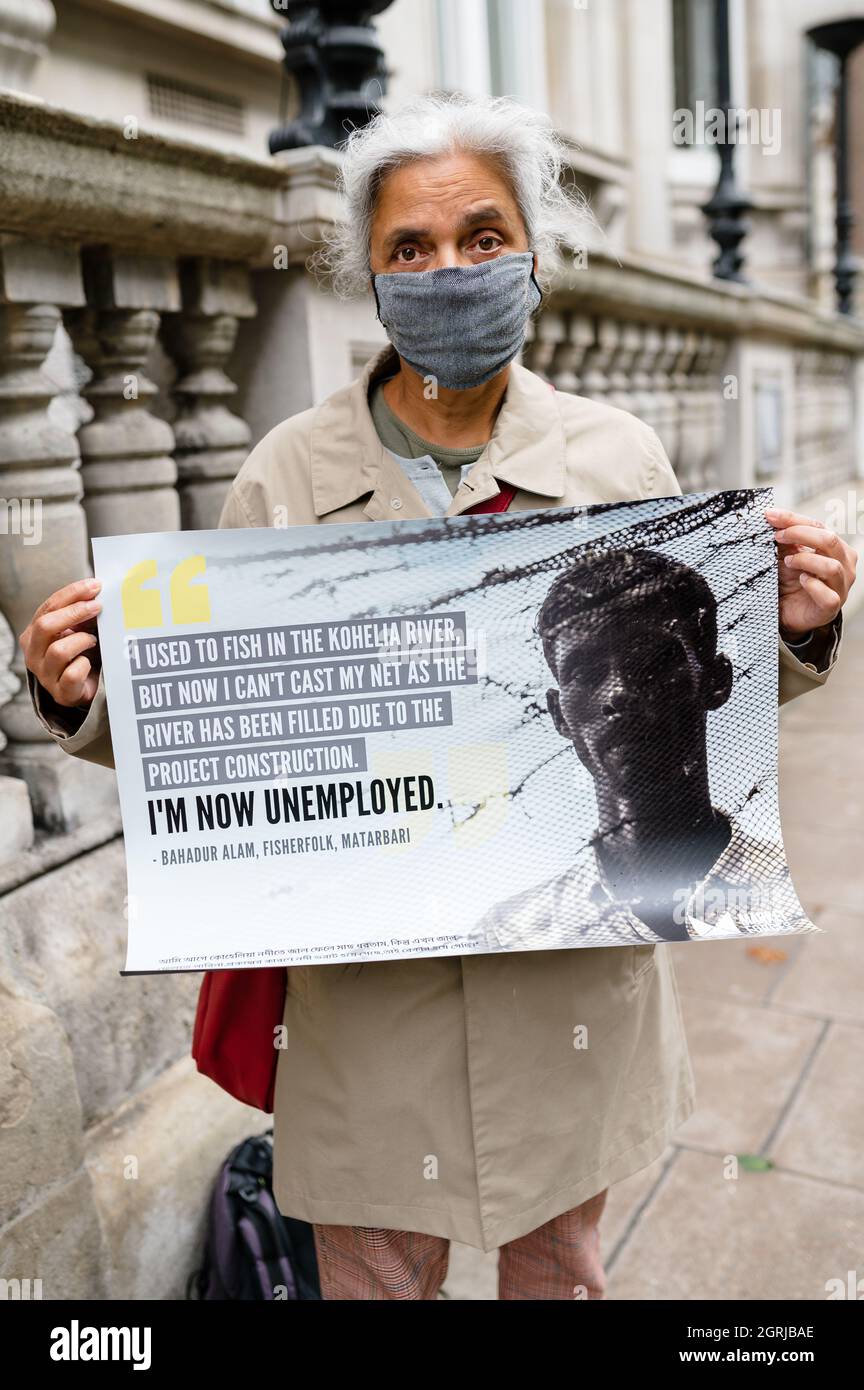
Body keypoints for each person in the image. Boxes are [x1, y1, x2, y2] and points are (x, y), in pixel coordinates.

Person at [19, 93, 855, 1301]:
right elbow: (217, 721)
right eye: (410, 247)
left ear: (531, 255)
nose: (448, 270)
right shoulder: (285, 475)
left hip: (571, 990)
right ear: (370, 270)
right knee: (371, 1286)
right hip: (368, 1018)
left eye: (480, 236)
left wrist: (802, 627)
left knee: (560, 1273)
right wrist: (82, 696)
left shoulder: (619, 456)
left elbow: (700, 696)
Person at [469, 548, 814, 955]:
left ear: (716, 680)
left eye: (652, 660)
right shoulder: (512, 930)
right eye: (586, 673)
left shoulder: (787, 891)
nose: (619, 692)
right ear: (559, 714)